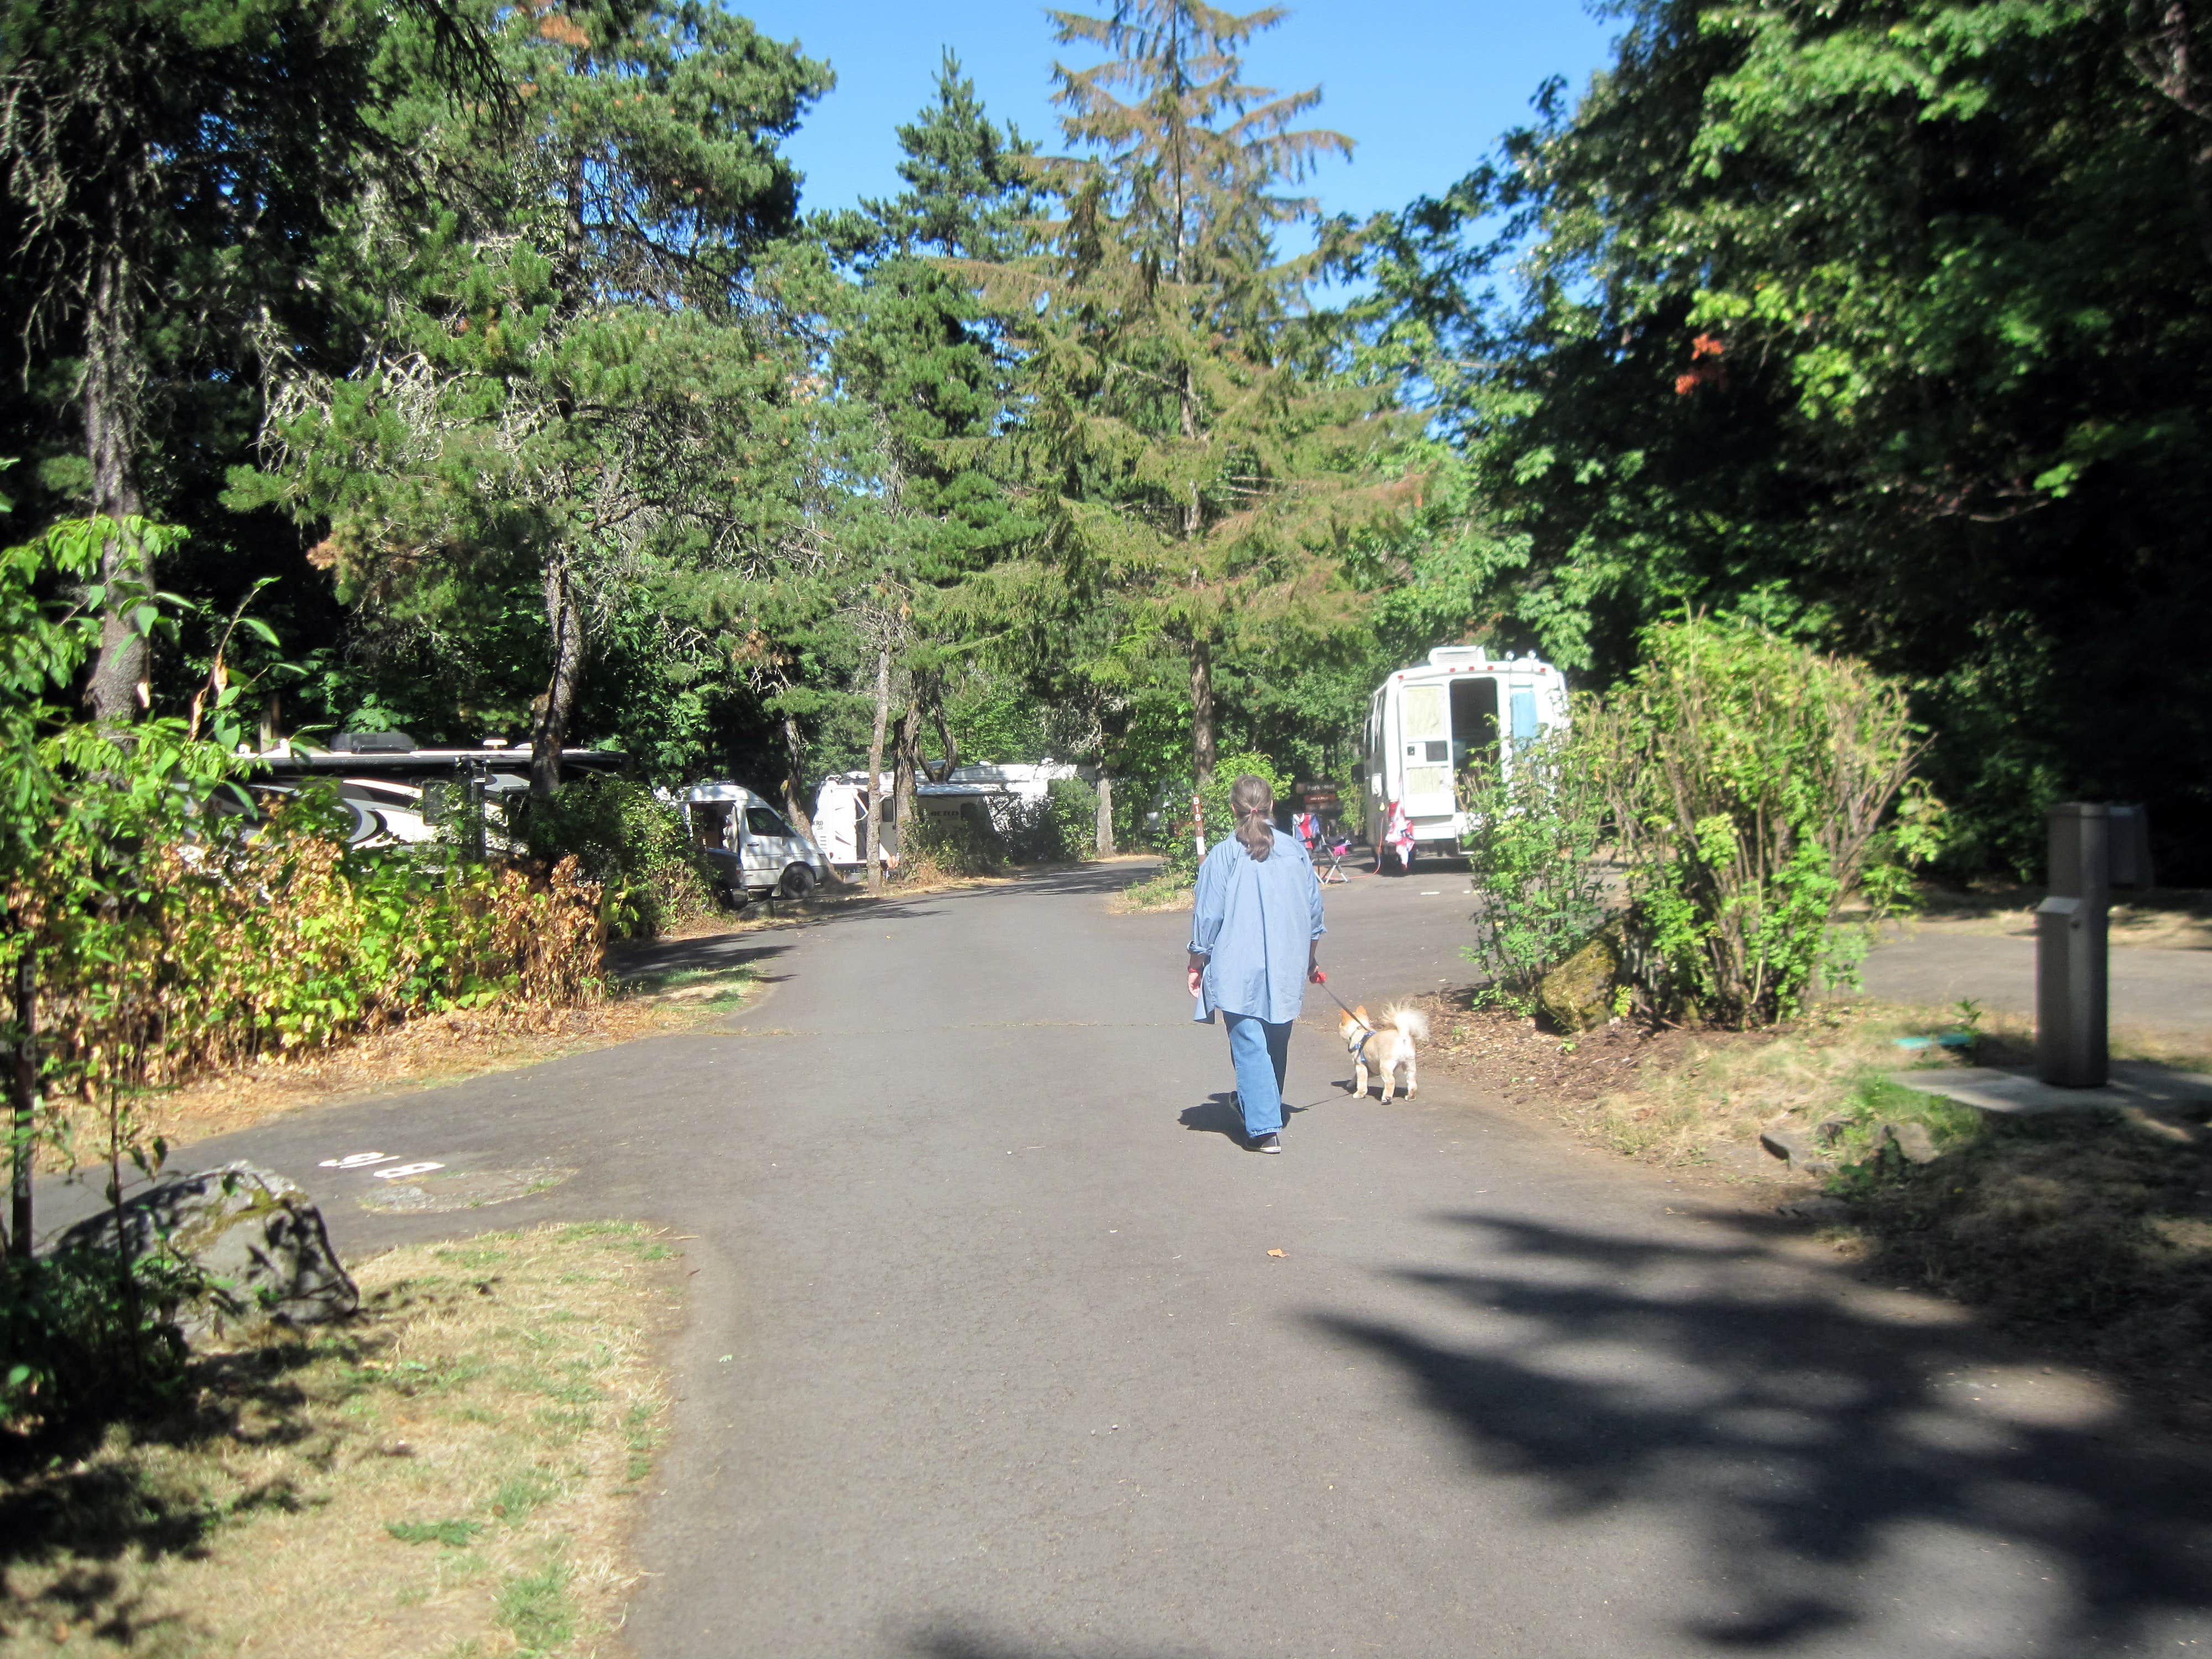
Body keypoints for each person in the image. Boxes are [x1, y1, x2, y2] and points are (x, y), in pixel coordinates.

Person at [1186, 774, 1325, 1153]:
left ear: (1233, 808)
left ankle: (1264, 1129)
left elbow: (1208, 915)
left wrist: (1197, 960)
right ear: (1272, 806)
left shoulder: (1223, 855)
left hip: (1236, 965)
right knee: (1275, 1040)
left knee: (1249, 1043)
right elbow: (1314, 915)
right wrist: (1310, 958)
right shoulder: (1295, 852)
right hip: (1285, 964)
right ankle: (1259, 1107)